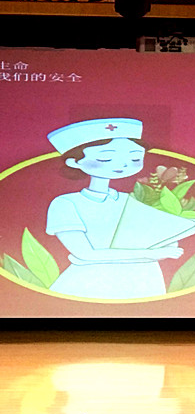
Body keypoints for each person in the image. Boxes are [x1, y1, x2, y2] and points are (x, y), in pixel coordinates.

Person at [45, 118, 184, 299]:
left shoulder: (134, 200)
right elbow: (86, 253)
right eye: (105, 158)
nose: (123, 164)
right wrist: (152, 253)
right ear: (74, 162)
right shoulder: (66, 203)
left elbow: (156, 236)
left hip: (144, 279)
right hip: (91, 281)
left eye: (135, 158)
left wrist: (170, 240)